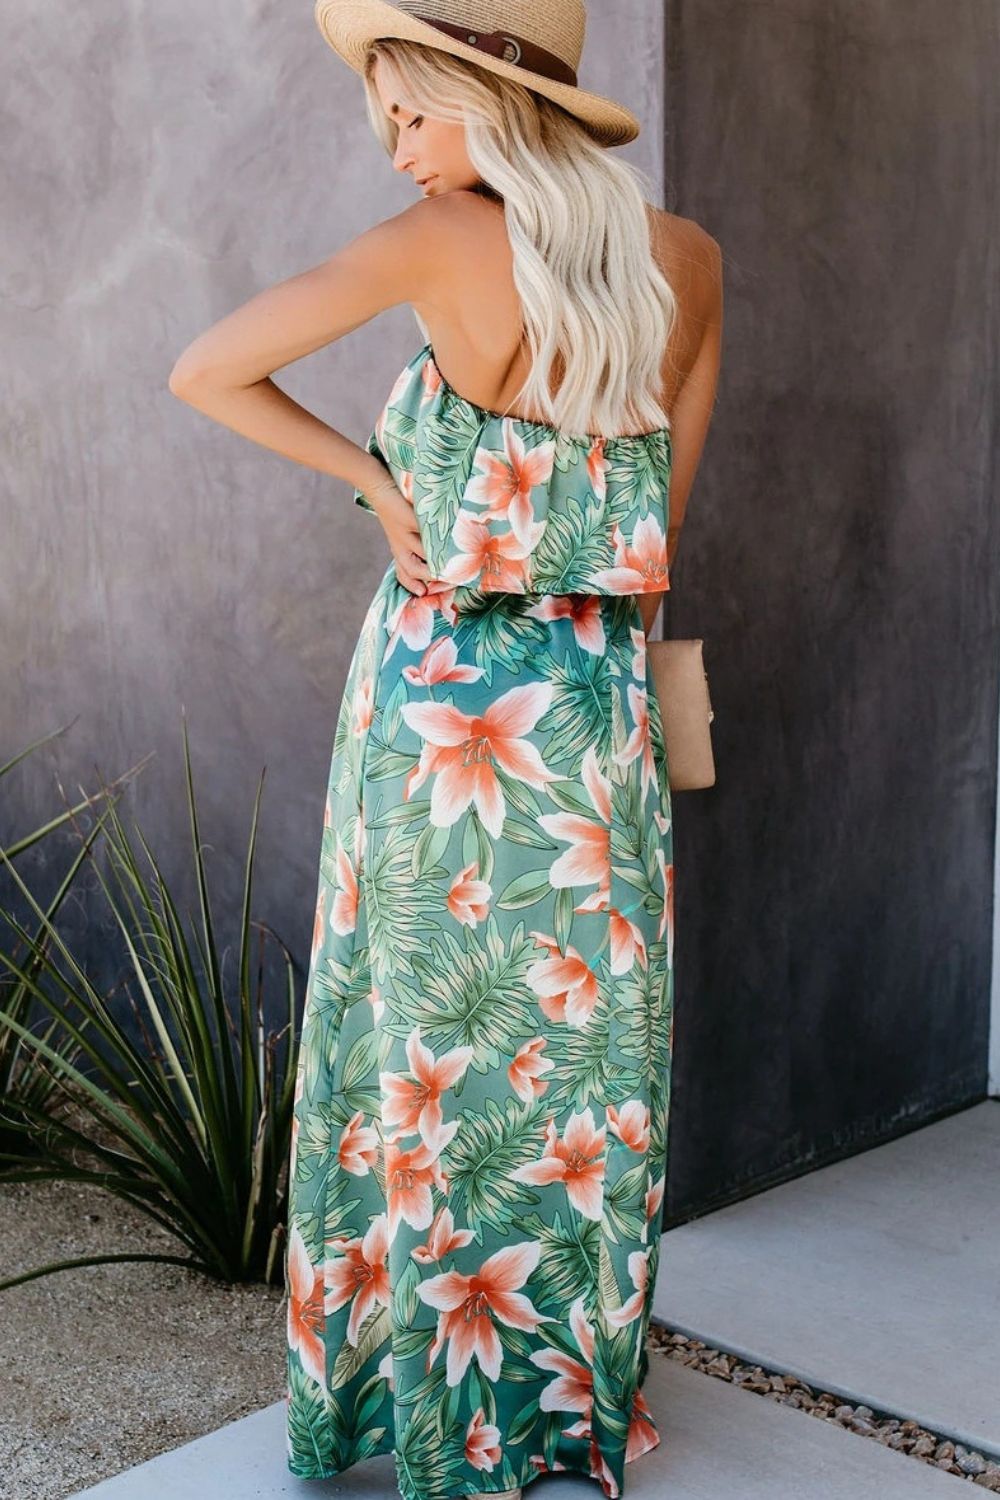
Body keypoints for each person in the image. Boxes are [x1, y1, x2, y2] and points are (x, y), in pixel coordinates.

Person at [169, 3, 722, 1497]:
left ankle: (429, 1409)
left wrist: (375, 481)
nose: (398, 146)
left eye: (413, 110)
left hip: (443, 710)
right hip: (593, 713)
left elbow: (206, 369)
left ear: (492, 96)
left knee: (422, 1052)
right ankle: (559, 1401)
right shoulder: (688, 261)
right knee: (581, 1058)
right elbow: (663, 525)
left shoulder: (433, 245)